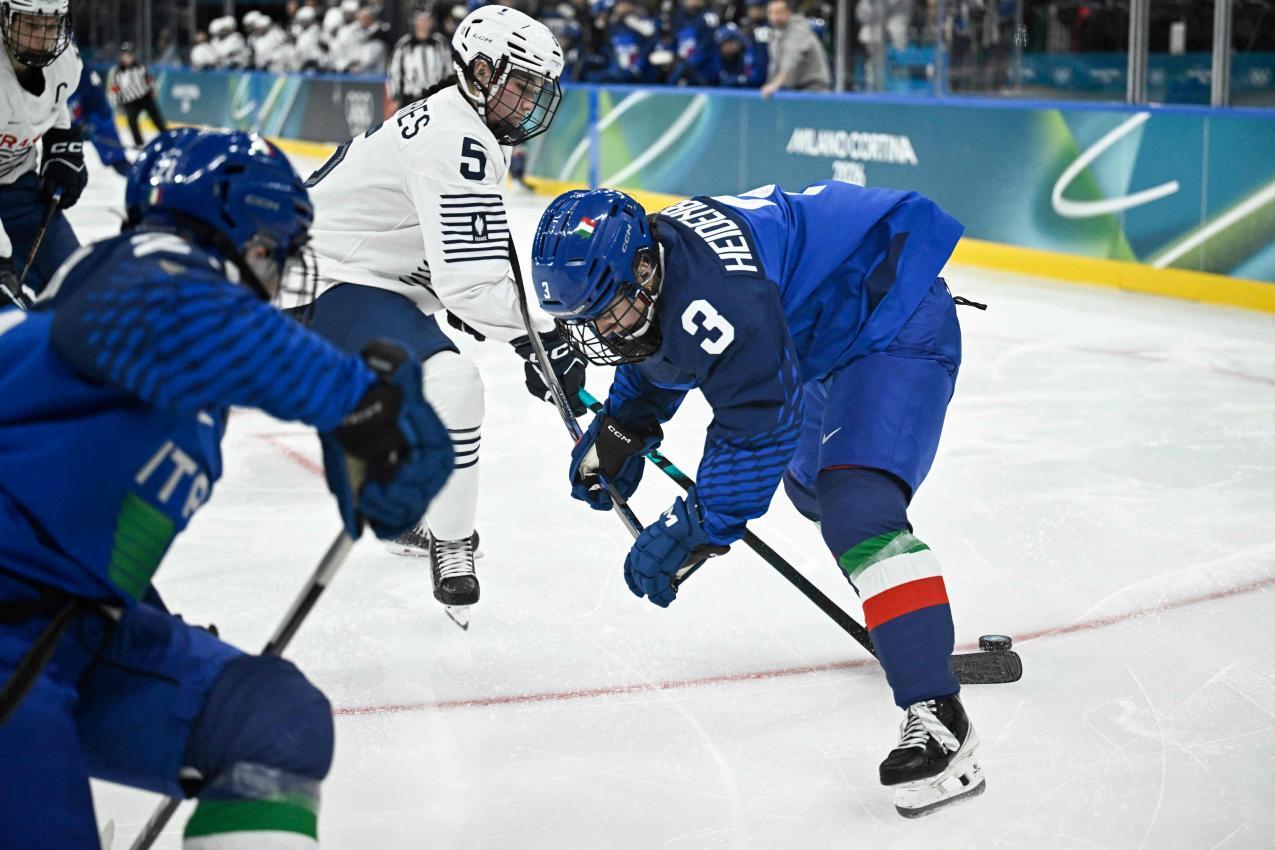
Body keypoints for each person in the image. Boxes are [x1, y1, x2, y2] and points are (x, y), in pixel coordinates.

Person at [0, 129, 454, 849]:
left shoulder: (172, 357)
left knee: (271, 720)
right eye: (277, 251)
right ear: (247, 242)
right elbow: (174, 307)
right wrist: (354, 399)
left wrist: (139, 615)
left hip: (63, 626)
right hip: (15, 630)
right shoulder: (143, 273)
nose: (277, 282)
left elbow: (72, 521)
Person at [531, 182, 986, 818]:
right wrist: (621, 427)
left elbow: (757, 427)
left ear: (642, 268)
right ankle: (903, 614)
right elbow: (661, 346)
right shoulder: (659, 268)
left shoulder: (716, 295)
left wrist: (692, 529)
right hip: (816, 338)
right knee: (812, 492)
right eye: (587, 321)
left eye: (608, 313)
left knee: (857, 505)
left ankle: (939, 716)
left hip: (892, 319)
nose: (602, 333)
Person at [300, 6, 583, 629]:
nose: (532, 102)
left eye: (540, 90)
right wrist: (545, 340)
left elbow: (449, 267)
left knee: (429, 387)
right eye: (522, 84)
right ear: (480, 70)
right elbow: (472, 282)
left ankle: (397, 505)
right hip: (328, 280)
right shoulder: (458, 139)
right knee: (454, 386)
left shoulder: (459, 121)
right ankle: (450, 541)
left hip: (352, 276)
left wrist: (514, 330)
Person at [0, 0, 84, 307]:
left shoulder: (66, 64)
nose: (42, 37)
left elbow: (55, 103)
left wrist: (60, 141)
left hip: (19, 186)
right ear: (5, 18)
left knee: (78, 288)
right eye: (31, 25)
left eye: (51, 26)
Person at [68, 63, 131, 176]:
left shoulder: (83, 72)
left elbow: (100, 107)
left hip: (91, 119)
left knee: (120, 163)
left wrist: (91, 123)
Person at [759, 0, 829, 96]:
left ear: (788, 12)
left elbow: (791, 60)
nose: (775, 17)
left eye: (779, 12)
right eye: (771, 13)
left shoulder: (799, 30)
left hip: (813, 90)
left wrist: (775, 85)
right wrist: (770, 83)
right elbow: (774, 66)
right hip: (793, 90)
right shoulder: (777, 33)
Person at [388, 6, 450, 110]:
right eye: (420, 19)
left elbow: (448, 68)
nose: (424, 23)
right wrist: (395, 95)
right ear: (414, 21)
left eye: (427, 19)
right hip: (410, 99)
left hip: (436, 98)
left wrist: (448, 91)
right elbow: (394, 71)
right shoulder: (404, 44)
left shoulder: (440, 43)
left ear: (432, 21)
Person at [109, 42, 168, 148]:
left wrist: (154, 90)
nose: (128, 57)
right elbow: (114, 88)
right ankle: (139, 143)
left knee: (156, 118)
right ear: (122, 56)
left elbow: (149, 80)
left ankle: (168, 137)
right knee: (132, 121)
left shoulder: (140, 66)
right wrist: (117, 102)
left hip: (144, 96)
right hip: (129, 100)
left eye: (130, 55)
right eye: (125, 55)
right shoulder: (117, 72)